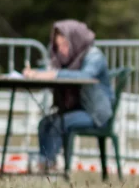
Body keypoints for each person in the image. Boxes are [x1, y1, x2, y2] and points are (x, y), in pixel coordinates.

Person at [23, 20, 114, 173]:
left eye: (65, 45)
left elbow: (85, 76)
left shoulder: (94, 56)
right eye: (58, 46)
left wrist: (54, 74)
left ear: (75, 40)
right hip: (79, 110)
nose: (62, 51)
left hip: (96, 114)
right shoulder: (69, 59)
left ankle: (48, 167)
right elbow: (51, 69)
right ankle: (45, 164)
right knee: (45, 123)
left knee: (59, 123)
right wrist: (36, 73)